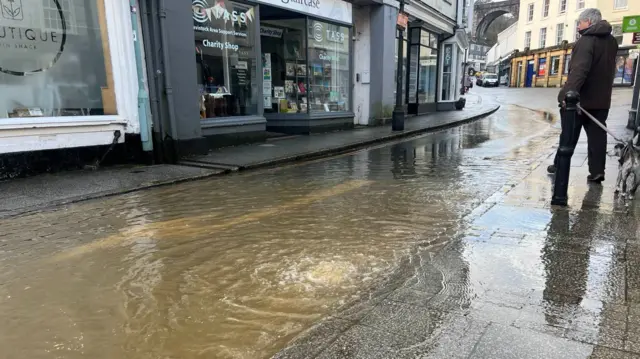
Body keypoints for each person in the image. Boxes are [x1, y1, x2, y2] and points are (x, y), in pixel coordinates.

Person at [548, 8, 618, 182]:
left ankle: (559, 166)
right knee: (597, 137)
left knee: (568, 135)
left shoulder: (586, 41)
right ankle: (597, 171)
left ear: (589, 22)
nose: (578, 25)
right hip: (602, 99)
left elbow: (579, 71)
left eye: (580, 22)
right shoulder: (612, 41)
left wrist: (566, 95)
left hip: (580, 101)